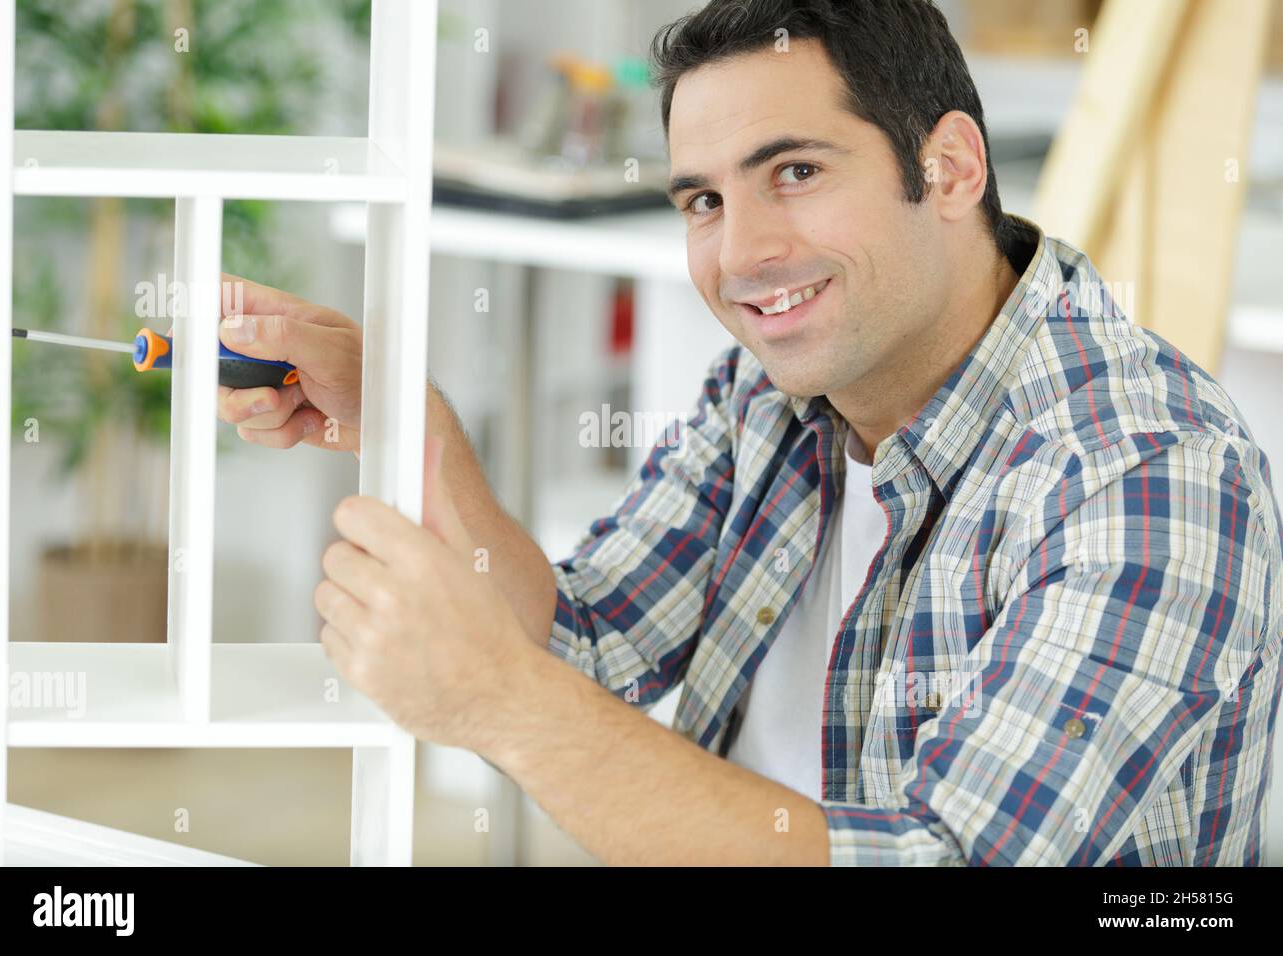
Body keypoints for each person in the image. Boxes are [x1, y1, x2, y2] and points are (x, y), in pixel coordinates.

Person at [212, 0, 1282, 865]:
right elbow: (587, 642)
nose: (741, 254)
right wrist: (410, 419)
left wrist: (501, 702)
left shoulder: (1148, 470)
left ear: (950, 167)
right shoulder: (766, 401)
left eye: (797, 173)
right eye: (702, 201)